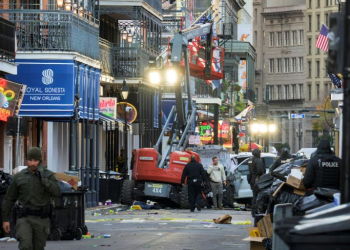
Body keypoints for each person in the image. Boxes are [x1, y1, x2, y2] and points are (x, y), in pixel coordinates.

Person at [2, 147, 60, 250]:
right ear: (27, 160)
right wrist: (5, 219)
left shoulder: (48, 175)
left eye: (35, 160)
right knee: (25, 245)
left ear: (40, 161)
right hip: (24, 218)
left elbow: (56, 192)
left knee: (38, 247)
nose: (32, 163)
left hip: (41, 218)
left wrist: (44, 179)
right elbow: (10, 198)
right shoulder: (20, 176)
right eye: (30, 160)